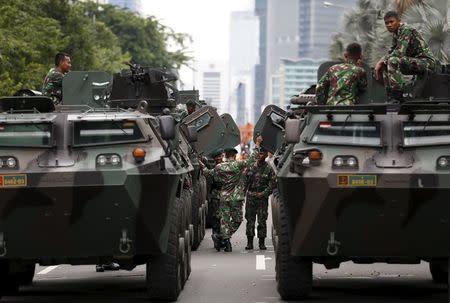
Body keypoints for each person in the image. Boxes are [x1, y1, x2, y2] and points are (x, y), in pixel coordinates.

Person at [200, 137, 262, 252]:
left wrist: (201, 164)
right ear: (234, 155)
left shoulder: (219, 167)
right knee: (237, 220)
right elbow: (252, 159)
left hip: (223, 197)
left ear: (225, 155)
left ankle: (225, 240)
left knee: (224, 221)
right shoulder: (238, 165)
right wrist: (257, 144)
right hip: (236, 198)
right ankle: (224, 238)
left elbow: (208, 173)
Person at [374, 11, 436, 101]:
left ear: (399, 21)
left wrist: (380, 62)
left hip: (426, 62)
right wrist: (382, 62)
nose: (389, 25)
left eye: (391, 22)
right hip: (414, 62)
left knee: (393, 60)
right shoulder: (396, 34)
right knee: (386, 62)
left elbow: (399, 53)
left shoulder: (406, 30)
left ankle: (397, 95)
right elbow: (391, 51)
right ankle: (390, 95)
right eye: (386, 23)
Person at [244, 145, 276, 250]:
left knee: (262, 220)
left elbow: (272, 185)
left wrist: (263, 194)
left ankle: (261, 243)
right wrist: (244, 193)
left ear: (266, 155)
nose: (259, 155)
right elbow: (245, 181)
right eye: (258, 153)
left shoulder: (269, 169)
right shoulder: (251, 167)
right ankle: (249, 243)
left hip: (262, 198)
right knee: (250, 220)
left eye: (262, 153)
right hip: (251, 197)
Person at [206, 148, 224, 250]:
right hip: (216, 195)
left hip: (224, 195)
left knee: (223, 218)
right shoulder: (214, 167)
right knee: (216, 217)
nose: (219, 158)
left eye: (220, 156)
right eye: (217, 157)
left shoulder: (225, 166)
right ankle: (217, 238)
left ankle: (221, 238)